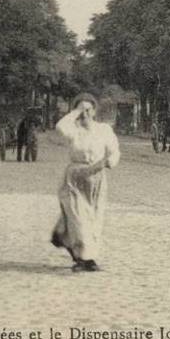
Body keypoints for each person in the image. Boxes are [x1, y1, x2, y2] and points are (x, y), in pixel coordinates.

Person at [50, 93, 120, 272]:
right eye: (81, 110)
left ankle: (84, 255)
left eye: (88, 110)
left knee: (94, 219)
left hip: (96, 177)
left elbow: (114, 151)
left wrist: (109, 162)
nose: (85, 114)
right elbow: (59, 126)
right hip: (74, 178)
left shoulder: (104, 130)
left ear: (95, 111)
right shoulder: (73, 130)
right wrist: (75, 112)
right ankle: (84, 258)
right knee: (79, 218)